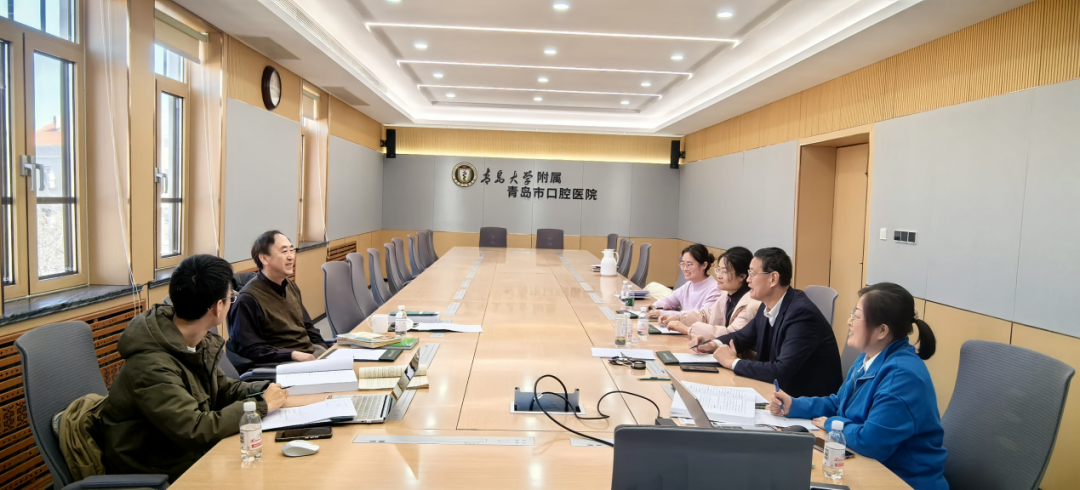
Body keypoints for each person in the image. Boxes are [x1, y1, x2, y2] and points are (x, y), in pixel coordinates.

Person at [92, 254, 289, 481]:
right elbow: (195, 430)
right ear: (218, 308)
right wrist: (261, 406)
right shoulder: (151, 366)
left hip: (186, 455)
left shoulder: (193, 340)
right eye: (231, 297)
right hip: (157, 471)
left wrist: (265, 389)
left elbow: (222, 389)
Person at [769, 283, 947, 489]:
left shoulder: (902, 376)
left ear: (882, 330)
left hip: (901, 481)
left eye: (856, 316)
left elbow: (871, 442)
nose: (849, 321)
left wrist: (833, 424)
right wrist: (795, 405)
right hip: (870, 469)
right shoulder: (869, 357)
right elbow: (839, 403)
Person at [689, 247, 842, 397]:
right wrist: (712, 344)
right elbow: (742, 337)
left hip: (806, 402)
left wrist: (732, 362)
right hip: (777, 393)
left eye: (753, 273)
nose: (748, 279)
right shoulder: (768, 304)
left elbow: (781, 371)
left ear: (773, 279)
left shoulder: (801, 314)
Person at [228, 230, 329, 364]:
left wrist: (324, 349)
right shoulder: (247, 299)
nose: (291, 256)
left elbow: (308, 327)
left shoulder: (291, 286)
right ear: (264, 258)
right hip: (284, 363)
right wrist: (292, 355)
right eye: (284, 251)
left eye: (291, 250)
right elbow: (251, 349)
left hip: (310, 355)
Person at [660, 247, 760, 339]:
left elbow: (732, 334)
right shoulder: (726, 295)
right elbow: (707, 315)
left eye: (724, 271)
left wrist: (688, 330)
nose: (719, 276)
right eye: (718, 270)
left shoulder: (750, 304)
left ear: (742, 276)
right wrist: (679, 318)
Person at [649, 244, 721, 319]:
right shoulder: (689, 285)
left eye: (689, 264)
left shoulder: (714, 290)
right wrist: (654, 306)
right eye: (683, 264)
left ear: (704, 265)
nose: (685, 268)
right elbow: (669, 300)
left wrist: (663, 313)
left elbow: (701, 317)